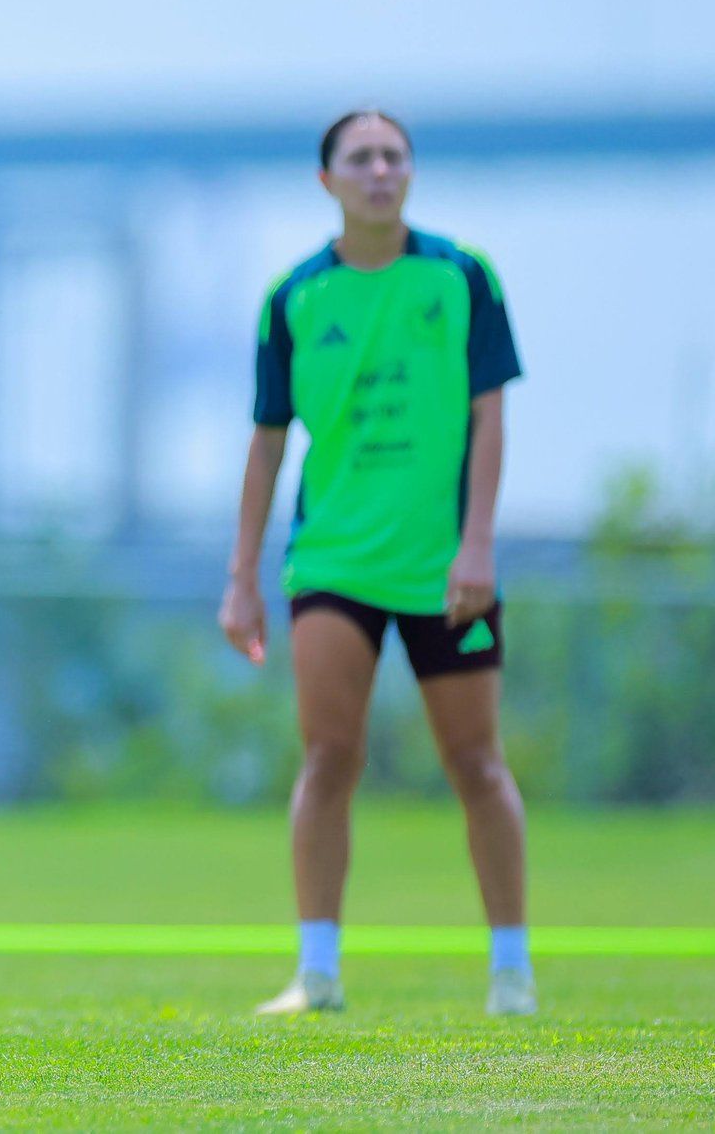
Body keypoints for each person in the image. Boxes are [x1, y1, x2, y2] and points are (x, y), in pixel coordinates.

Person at [218, 110, 534, 1018]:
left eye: (393, 156)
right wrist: (241, 576)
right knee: (328, 757)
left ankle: (510, 970)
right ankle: (315, 971)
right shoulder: (292, 297)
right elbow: (267, 444)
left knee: (477, 764)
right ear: (327, 181)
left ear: (410, 173)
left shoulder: (461, 276)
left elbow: (488, 417)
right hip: (332, 564)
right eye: (359, 157)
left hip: (447, 569)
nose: (379, 170)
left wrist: (477, 543)